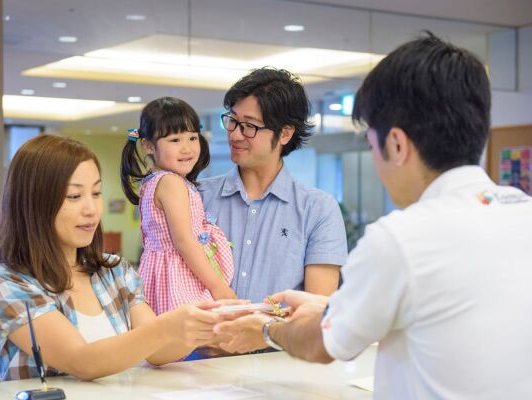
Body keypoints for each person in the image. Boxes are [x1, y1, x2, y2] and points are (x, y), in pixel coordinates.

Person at [215, 33, 532, 399]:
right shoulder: (521, 211)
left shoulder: (401, 239)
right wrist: (331, 308)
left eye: (371, 145)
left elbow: (323, 344)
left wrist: (267, 330)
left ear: (396, 144)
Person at [0, 135, 223, 381]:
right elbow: (82, 361)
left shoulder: (115, 271)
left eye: (96, 193)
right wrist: (169, 326)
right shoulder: (9, 283)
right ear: (33, 203)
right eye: (74, 196)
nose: (92, 209)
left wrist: (206, 324)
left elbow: (159, 352)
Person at [199, 67, 347, 303]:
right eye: (233, 121)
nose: (235, 135)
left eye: (249, 126)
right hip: (199, 340)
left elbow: (316, 315)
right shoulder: (197, 196)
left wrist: (260, 330)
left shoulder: (317, 210)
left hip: (277, 341)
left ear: (285, 134)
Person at [120, 97, 235, 316]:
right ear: (147, 145)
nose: (187, 148)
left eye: (192, 137)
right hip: (179, 275)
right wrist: (217, 286)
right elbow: (183, 241)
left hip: (162, 273)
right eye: (174, 140)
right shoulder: (171, 183)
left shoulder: (153, 179)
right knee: (194, 338)